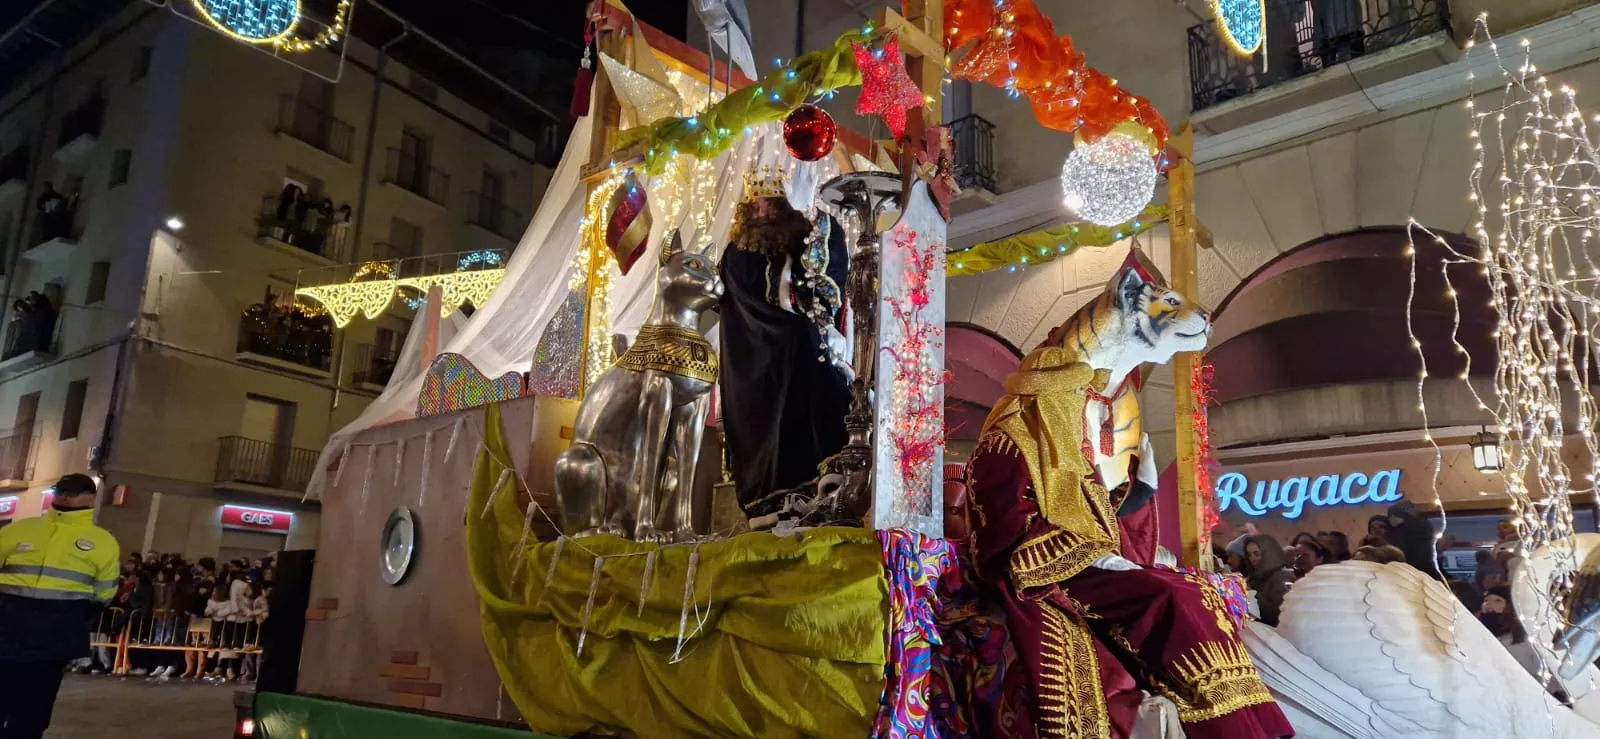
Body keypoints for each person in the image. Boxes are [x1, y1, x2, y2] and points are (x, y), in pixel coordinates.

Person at [718, 171, 853, 521]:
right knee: (762, 430)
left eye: (769, 205)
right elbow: (765, 291)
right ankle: (769, 503)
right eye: (755, 206)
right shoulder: (737, 252)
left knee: (817, 406)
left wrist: (814, 217)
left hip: (798, 355)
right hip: (751, 360)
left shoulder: (798, 239)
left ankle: (816, 493)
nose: (761, 212)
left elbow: (821, 283)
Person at [0, 473, 119, 738]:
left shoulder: (102, 541)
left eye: (72, 492)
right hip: (8, 629)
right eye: (61, 490)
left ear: (90, 497)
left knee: (31, 714)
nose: (63, 496)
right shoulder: (20, 528)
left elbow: (105, 591)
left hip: (52, 635)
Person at [1245, 534, 1296, 627]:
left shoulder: (1283, 576)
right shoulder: (1253, 578)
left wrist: (1250, 593)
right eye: (1249, 555)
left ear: (1269, 554)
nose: (1252, 559)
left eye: (1257, 554)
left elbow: (1277, 613)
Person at [1386, 500, 1442, 579]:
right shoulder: (1424, 524)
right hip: (1427, 571)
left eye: (1391, 516)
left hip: (1408, 572)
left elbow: (1403, 551)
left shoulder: (1402, 530)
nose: (1390, 520)